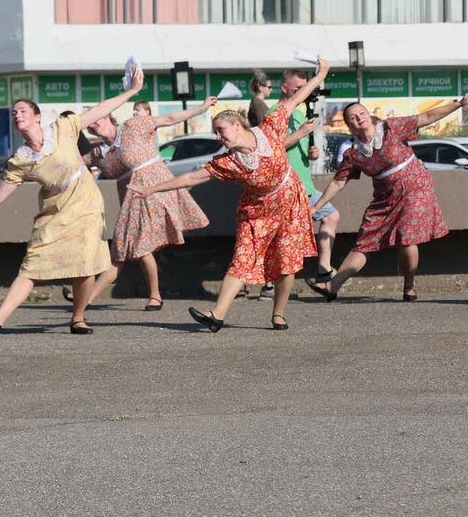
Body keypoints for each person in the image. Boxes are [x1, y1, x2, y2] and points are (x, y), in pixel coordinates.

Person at [128, 58, 332, 332]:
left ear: (238, 126)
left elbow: (296, 98)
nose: (219, 137)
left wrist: (322, 74)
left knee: (287, 260)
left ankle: (279, 313)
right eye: (215, 133)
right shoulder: (227, 162)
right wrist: (151, 189)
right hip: (256, 211)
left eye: (221, 130)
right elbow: (191, 177)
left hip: (289, 202)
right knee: (242, 258)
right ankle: (217, 314)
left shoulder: (270, 128)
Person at [0, 72, 148, 337]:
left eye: (23, 110)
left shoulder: (64, 128)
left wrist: (132, 91)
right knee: (32, 264)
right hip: (54, 211)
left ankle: (78, 318)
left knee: (85, 263)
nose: (17, 114)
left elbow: (100, 110)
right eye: (14, 113)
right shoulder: (20, 160)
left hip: (86, 205)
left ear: (37, 116)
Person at [305, 98, 468, 302]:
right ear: (350, 126)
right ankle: (333, 286)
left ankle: (409, 286)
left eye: (362, 113)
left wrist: (458, 104)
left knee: (406, 237)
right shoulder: (353, 154)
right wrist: (316, 206)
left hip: (415, 188)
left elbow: (426, 117)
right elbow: (338, 182)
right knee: (365, 240)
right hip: (385, 198)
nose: (359, 118)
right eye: (353, 118)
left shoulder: (391, 128)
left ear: (368, 115)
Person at [81, 97, 215, 310]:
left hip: (155, 190)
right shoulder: (98, 153)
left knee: (139, 246)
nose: (93, 123)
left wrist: (202, 108)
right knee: (121, 250)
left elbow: (169, 118)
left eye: (97, 117)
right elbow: (73, 165)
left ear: (108, 115)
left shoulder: (132, 126)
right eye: (89, 122)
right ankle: (87, 298)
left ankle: (152, 295)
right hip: (131, 200)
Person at [277, 69, 340, 289]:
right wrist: (300, 135)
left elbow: (296, 148)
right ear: (284, 88)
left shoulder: (299, 113)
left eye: (305, 88)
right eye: (298, 89)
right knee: (288, 238)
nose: (304, 93)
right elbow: (272, 147)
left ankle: (323, 270)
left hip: (306, 186)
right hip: (288, 188)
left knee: (330, 215)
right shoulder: (276, 112)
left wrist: (311, 152)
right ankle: (272, 285)